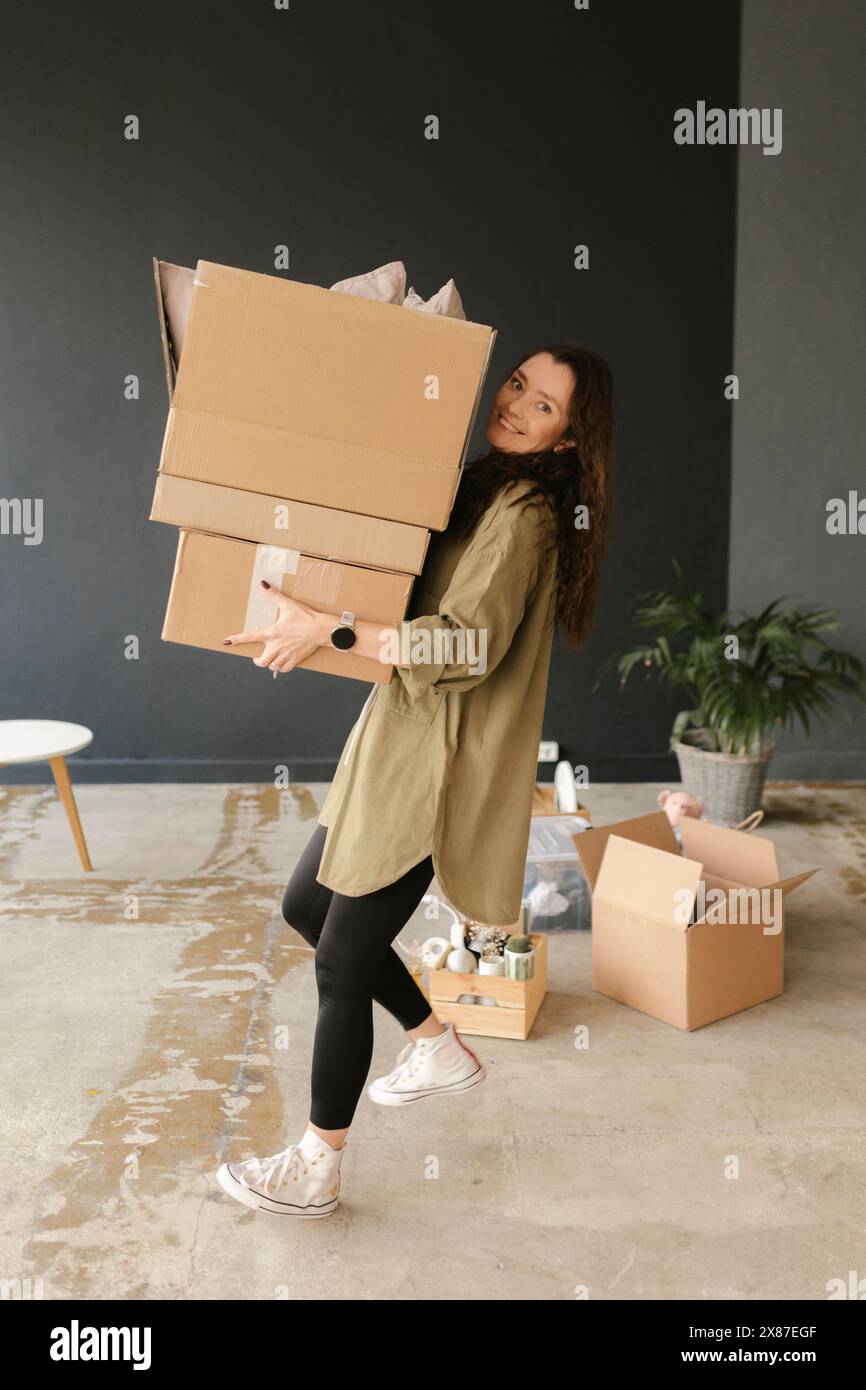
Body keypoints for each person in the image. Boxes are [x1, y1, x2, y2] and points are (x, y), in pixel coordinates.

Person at [215, 345, 613, 1216]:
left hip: (440, 763)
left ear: (569, 439)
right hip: (396, 737)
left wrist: (333, 630)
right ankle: (437, 1042)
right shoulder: (476, 481)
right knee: (309, 908)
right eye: (517, 383)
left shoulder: (526, 515)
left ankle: (319, 1164)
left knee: (340, 959)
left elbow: (464, 644)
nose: (515, 405)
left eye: (543, 405)